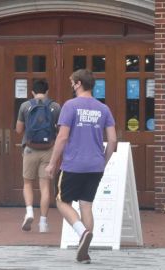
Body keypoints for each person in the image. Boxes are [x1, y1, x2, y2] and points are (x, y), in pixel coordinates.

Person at [45, 69, 117, 264]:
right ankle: (84, 252)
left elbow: (62, 137)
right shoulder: (103, 108)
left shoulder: (70, 106)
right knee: (86, 205)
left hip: (73, 165)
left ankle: (82, 232)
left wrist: (52, 163)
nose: (71, 85)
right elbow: (112, 140)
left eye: (71, 82)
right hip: (95, 165)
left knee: (62, 201)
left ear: (78, 83)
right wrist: (103, 161)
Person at [16, 79, 61, 233]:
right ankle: (43, 223)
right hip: (48, 149)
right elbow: (60, 130)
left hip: (29, 149)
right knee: (45, 187)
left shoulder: (25, 106)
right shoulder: (55, 107)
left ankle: (29, 211)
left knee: (27, 183)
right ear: (47, 91)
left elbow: (19, 130)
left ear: (32, 92)